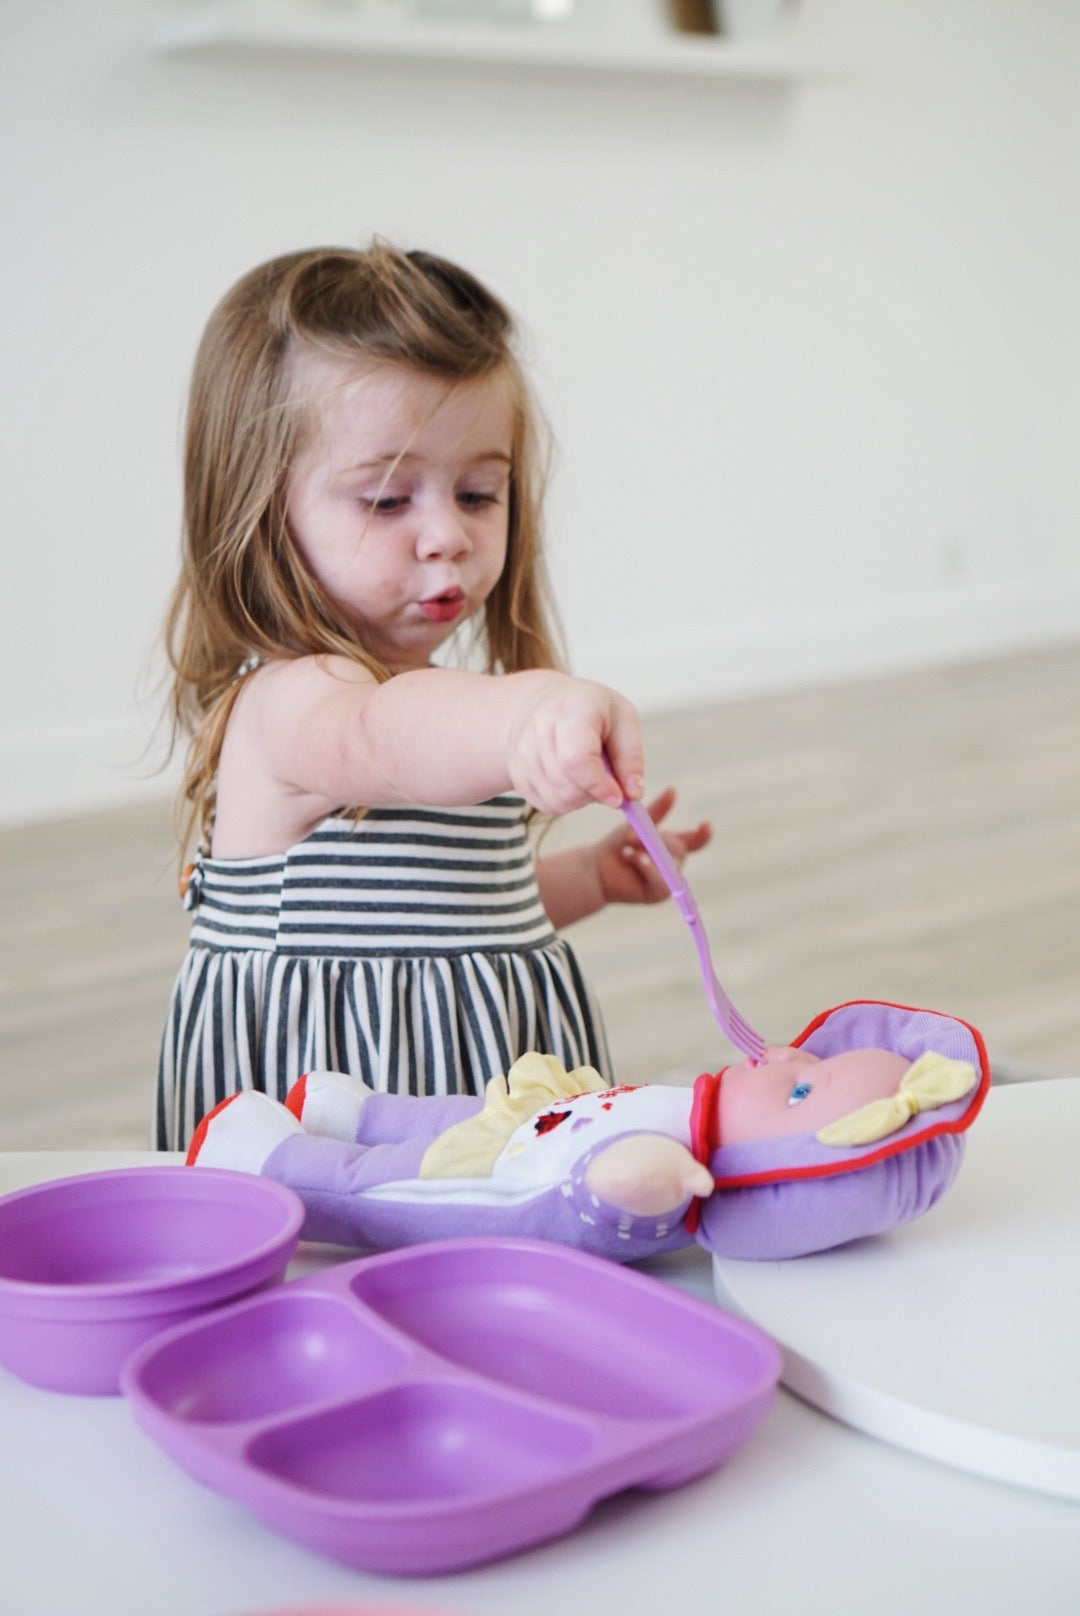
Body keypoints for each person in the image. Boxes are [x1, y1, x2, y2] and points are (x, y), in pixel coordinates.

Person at [157, 243, 711, 1151]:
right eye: (385, 500)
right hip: (337, 1128)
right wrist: (531, 710)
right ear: (261, 510)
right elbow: (385, 737)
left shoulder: (440, 703)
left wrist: (586, 882)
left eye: (479, 492)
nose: (447, 535)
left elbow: (445, 907)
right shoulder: (298, 705)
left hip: (466, 1102)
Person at [186, 999, 989, 1261]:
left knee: (404, 1179)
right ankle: (352, 1111)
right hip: (543, 1121)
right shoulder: (697, 1108)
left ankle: (273, 1164)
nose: (780, 1057)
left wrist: (643, 1182)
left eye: (799, 1085)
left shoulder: (676, 1166)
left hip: (518, 1182)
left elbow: (607, 1199)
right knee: (462, 1114)